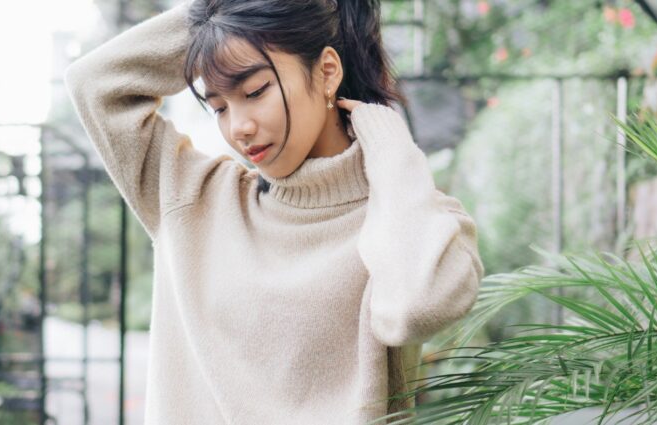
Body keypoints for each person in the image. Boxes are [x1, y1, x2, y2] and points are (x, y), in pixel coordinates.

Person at [63, 0, 484, 422]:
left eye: (255, 92)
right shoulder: (194, 200)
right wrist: (222, 17)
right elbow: (95, 83)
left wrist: (390, 144)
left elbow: (415, 309)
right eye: (220, 108)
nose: (237, 128)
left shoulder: (409, 216)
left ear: (327, 72)